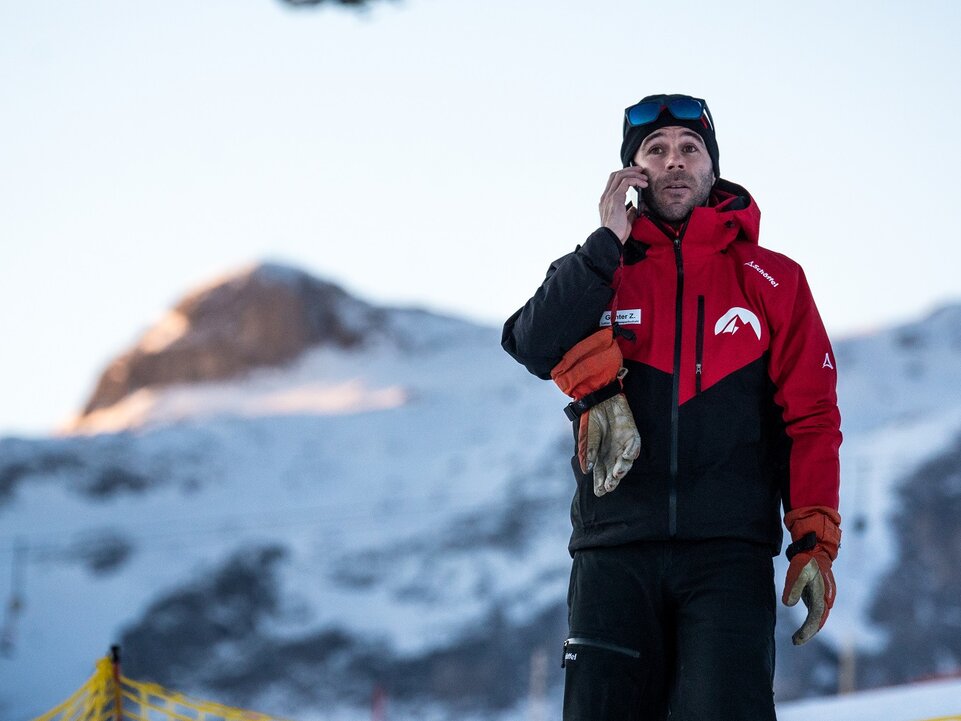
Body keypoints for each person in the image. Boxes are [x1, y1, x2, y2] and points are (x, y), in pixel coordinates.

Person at [501, 94, 842, 720]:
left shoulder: (774, 278)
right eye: (655, 152)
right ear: (632, 173)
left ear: (713, 167)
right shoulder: (598, 267)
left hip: (728, 557)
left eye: (691, 149)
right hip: (613, 556)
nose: (675, 162)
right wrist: (605, 241)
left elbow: (812, 418)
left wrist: (814, 541)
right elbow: (529, 341)